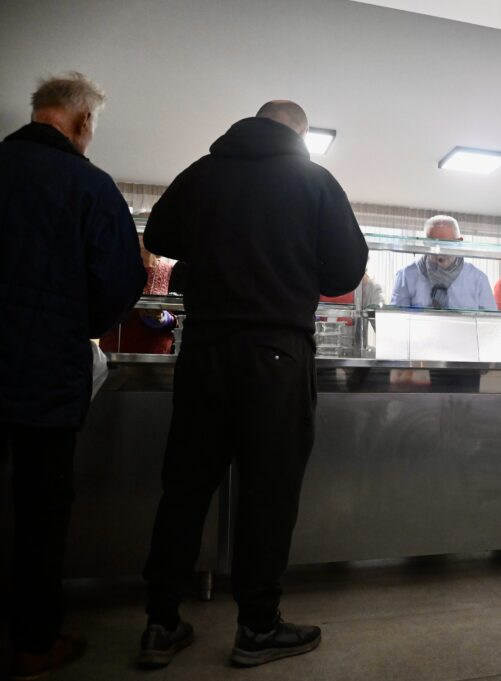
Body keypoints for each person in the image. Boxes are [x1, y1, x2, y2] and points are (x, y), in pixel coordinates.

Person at [139, 100, 368, 668]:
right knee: (269, 491)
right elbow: (346, 270)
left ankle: (160, 623)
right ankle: (258, 627)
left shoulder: (203, 172)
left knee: (186, 487)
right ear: (300, 134)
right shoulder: (315, 181)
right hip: (276, 353)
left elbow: (160, 234)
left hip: (206, 349)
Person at [0, 71, 146, 680]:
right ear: (83, 121)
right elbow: (121, 280)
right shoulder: (89, 184)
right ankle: (34, 644)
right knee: (40, 511)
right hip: (45, 374)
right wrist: (75, 323)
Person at [390, 215, 497, 310]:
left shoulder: (478, 279)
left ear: (459, 242)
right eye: (434, 244)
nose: (441, 251)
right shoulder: (405, 276)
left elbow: (491, 322)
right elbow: (396, 320)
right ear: (425, 244)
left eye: (447, 244)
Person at [100, 235, 177, 354]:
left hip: (158, 355)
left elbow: (183, 318)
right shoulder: (113, 267)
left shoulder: (172, 270)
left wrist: (165, 319)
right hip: (116, 352)